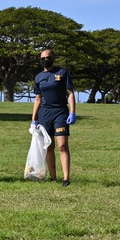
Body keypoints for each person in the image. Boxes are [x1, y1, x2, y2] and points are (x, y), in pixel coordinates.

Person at [31, 47, 77, 187]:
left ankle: (66, 179)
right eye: (43, 58)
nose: (46, 60)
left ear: (53, 58)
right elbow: (38, 99)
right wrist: (33, 119)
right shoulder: (39, 77)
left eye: (48, 57)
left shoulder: (62, 73)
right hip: (44, 114)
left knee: (62, 146)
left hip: (60, 112)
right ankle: (53, 178)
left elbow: (70, 93)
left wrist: (72, 112)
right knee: (48, 147)